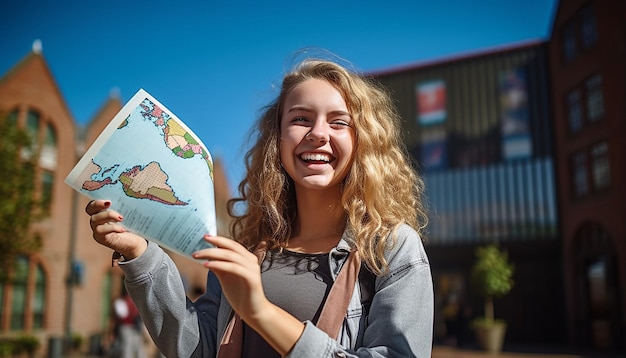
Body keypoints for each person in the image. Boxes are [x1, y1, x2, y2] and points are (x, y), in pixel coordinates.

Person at [86, 57, 434, 357]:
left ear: (362, 141)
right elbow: (198, 349)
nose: (318, 133)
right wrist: (140, 254)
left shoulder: (391, 248)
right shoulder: (248, 248)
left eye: (338, 122)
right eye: (300, 119)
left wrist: (260, 312)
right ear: (277, 140)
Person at [111, 289, 147, 358]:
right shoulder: (124, 302)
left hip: (132, 328)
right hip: (127, 327)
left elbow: (121, 316)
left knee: (132, 348)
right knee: (129, 348)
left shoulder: (122, 302)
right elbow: (122, 316)